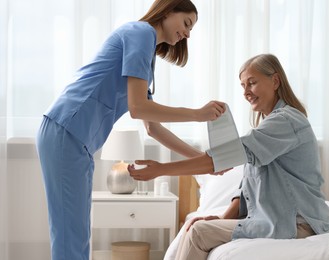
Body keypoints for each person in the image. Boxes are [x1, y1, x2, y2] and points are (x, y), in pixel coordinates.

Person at [36, 0, 226, 259]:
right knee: (71, 235)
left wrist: (203, 160)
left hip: (74, 138)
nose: (188, 34)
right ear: (169, 10)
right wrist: (197, 114)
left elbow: (153, 129)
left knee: (76, 234)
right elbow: (138, 108)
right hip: (66, 129)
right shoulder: (141, 33)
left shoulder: (146, 54)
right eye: (186, 23)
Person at [129, 53, 329, 260]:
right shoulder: (269, 124)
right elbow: (247, 188)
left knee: (199, 232)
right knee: (199, 226)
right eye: (243, 86)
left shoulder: (287, 121)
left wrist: (162, 169)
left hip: (297, 223)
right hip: (279, 219)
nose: (246, 92)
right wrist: (221, 219)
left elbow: (219, 159)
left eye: (252, 83)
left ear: (275, 81)